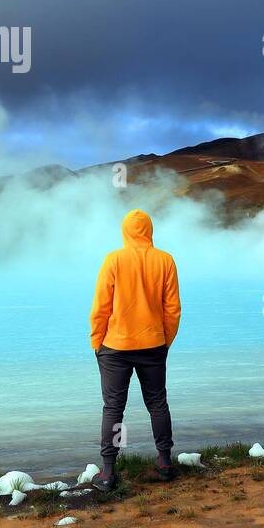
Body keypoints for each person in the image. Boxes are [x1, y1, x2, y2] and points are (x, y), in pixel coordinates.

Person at [89, 208, 181, 490]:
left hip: (115, 347)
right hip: (153, 345)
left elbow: (101, 308)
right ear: (149, 230)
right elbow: (173, 310)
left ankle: (107, 472)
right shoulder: (165, 260)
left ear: (125, 231)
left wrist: (97, 343)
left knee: (114, 409)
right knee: (157, 404)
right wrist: (165, 340)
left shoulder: (113, 260)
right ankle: (164, 462)